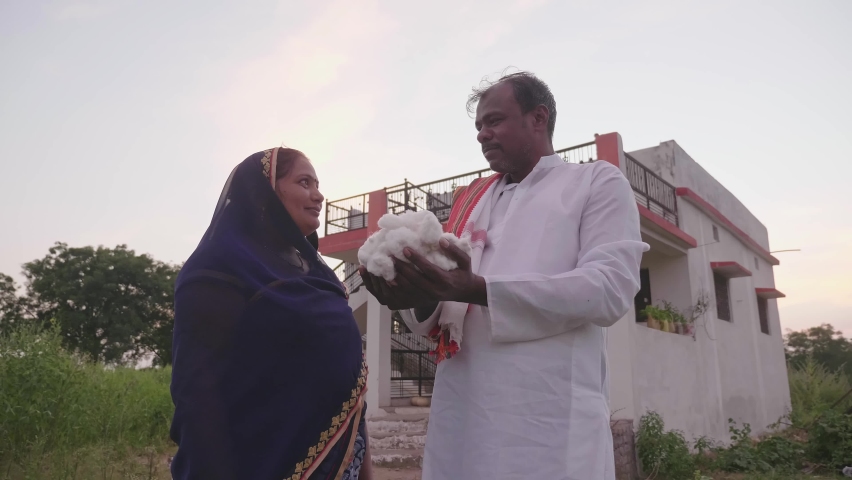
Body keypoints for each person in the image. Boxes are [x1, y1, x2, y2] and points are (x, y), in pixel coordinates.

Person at [359, 72, 648, 479]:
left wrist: (481, 289)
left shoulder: (594, 182)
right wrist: (414, 294)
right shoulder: (471, 204)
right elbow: (448, 308)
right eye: (478, 126)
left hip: (549, 420)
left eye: (493, 121)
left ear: (538, 118)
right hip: (462, 415)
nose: (482, 134)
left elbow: (608, 289)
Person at [170, 147, 373, 480]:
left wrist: (364, 468)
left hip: (343, 461)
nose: (319, 195)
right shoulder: (217, 270)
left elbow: (349, 383)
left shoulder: (317, 273)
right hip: (261, 464)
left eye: (318, 184)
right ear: (263, 194)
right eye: (304, 182)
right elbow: (198, 396)